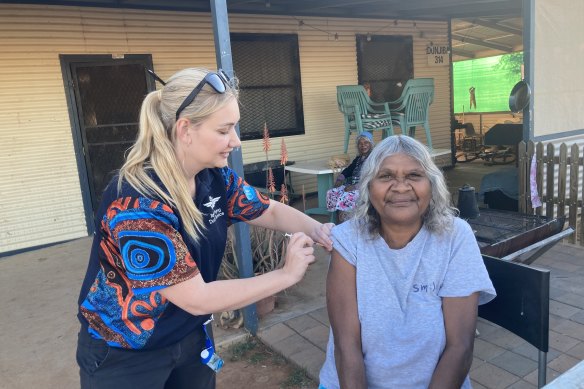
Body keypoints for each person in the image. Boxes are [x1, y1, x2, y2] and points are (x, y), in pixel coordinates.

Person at [76, 67, 334, 389]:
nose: (236, 141)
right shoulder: (136, 204)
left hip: (189, 334)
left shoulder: (213, 177)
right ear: (186, 129)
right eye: (224, 130)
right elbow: (196, 297)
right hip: (125, 353)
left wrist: (320, 231)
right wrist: (285, 275)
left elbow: (267, 209)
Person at [319, 135, 496, 389]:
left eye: (414, 175)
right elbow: (346, 346)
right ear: (368, 187)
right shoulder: (348, 239)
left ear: (432, 185)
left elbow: (461, 345)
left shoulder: (455, 237)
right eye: (386, 176)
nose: (400, 187)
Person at [325, 132, 374, 221]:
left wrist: (355, 187)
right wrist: (340, 179)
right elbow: (349, 169)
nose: (363, 146)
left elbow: (372, 178)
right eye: (360, 143)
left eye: (366, 143)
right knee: (332, 192)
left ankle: (345, 222)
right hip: (352, 185)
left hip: (364, 188)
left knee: (345, 197)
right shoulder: (359, 158)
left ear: (371, 144)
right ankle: (334, 220)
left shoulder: (373, 159)